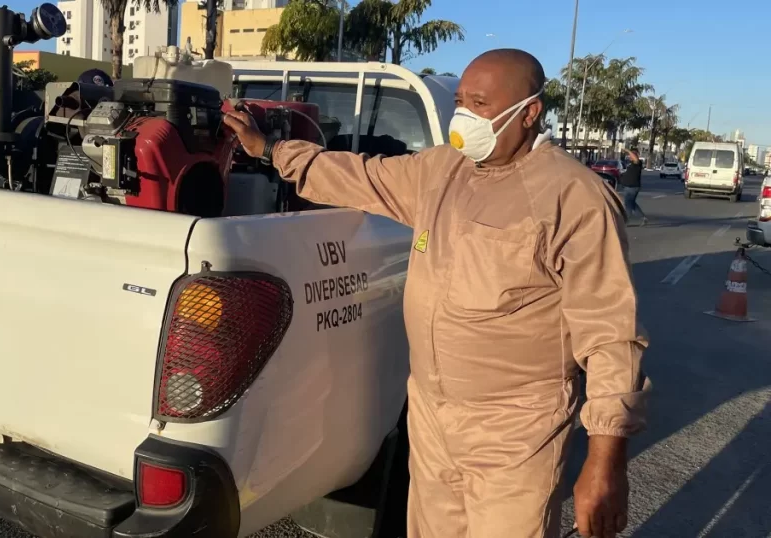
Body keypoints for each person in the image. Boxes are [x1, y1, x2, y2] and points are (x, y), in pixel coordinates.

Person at [223, 49, 650, 538]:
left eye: (480, 104)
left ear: (530, 112)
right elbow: (358, 175)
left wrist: (605, 461)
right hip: (430, 413)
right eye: (461, 101)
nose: (464, 116)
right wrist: (270, 150)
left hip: (517, 429)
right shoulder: (443, 170)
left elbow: (611, 335)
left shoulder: (575, 198)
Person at [619, 150, 647, 226]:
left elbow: (635, 159)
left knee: (628, 204)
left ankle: (626, 220)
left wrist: (627, 150)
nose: (630, 156)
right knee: (632, 204)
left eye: (631, 155)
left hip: (632, 187)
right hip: (628, 186)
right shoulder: (631, 164)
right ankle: (643, 217)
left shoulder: (638, 163)